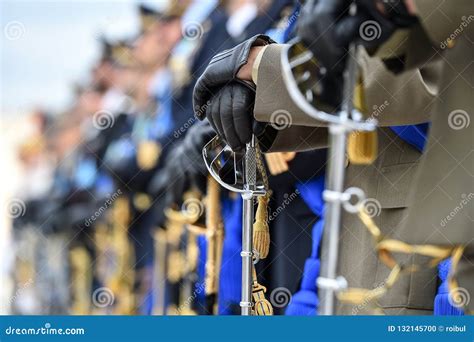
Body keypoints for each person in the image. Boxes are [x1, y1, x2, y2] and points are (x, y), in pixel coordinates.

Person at [192, 4, 445, 314]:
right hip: (347, 239)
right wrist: (261, 114)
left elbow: (434, 77)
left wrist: (264, 70)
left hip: (424, 248)